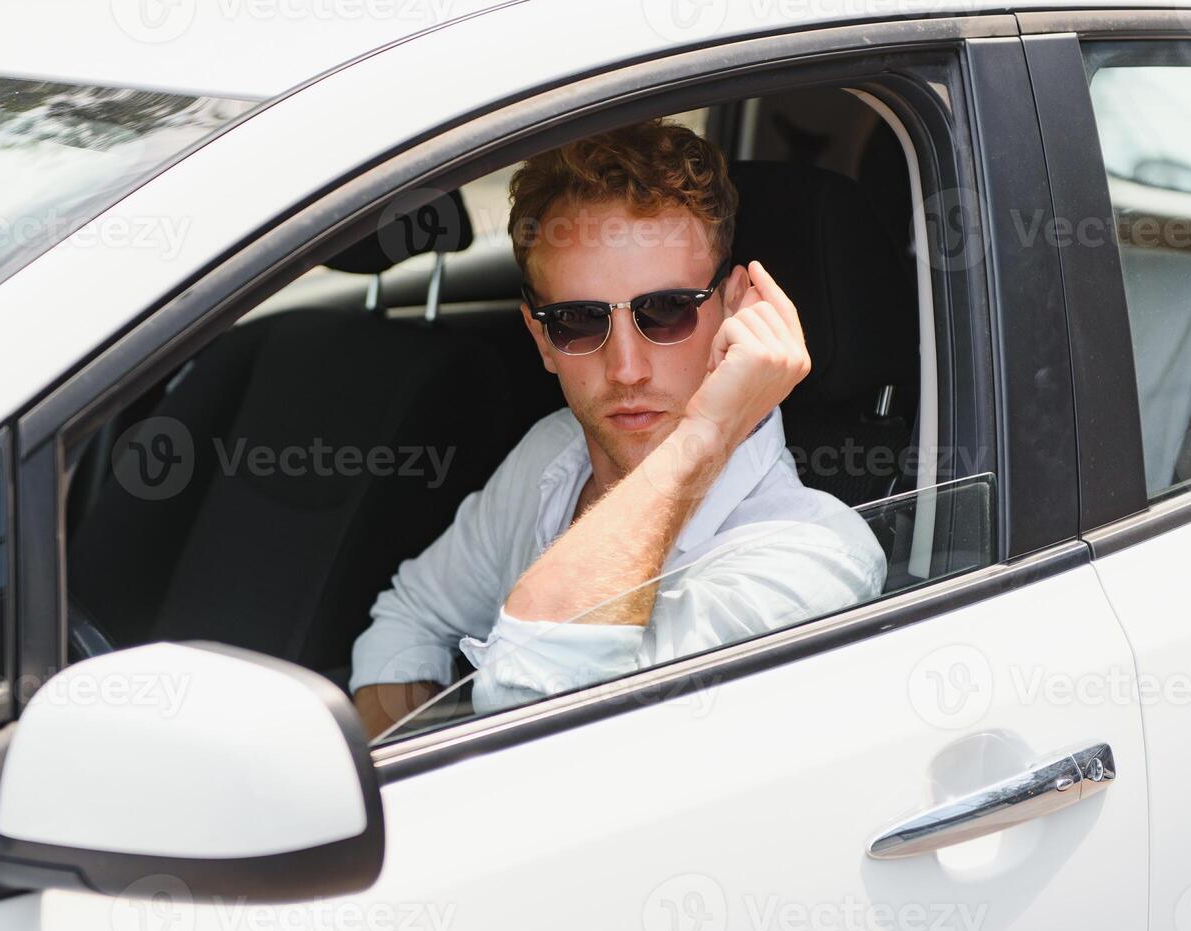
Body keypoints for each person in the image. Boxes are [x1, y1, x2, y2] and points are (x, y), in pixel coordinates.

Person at [350, 118, 887, 738]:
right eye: (577, 321)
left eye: (667, 310)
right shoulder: (554, 451)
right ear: (539, 338)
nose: (626, 369)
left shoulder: (814, 559)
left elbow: (530, 704)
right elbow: (408, 618)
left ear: (736, 305)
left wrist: (707, 436)